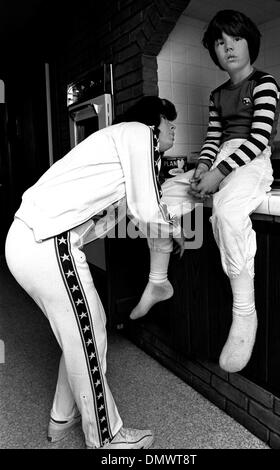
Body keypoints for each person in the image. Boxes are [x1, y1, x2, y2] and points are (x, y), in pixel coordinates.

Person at [5, 96, 183, 449]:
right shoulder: (140, 133)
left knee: (85, 334)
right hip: (49, 241)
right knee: (88, 337)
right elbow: (147, 209)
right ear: (156, 121)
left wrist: (165, 225)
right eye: (171, 123)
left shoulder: (121, 143)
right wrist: (171, 230)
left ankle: (62, 417)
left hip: (35, 240)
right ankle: (108, 439)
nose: (174, 129)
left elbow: (138, 207)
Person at [189, 10, 280, 373]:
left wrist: (218, 175)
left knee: (226, 214)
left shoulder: (265, 83)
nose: (228, 48)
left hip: (251, 160)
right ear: (214, 52)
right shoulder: (216, 94)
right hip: (221, 160)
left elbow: (258, 138)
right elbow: (212, 140)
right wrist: (200, 169)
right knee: (168, 198)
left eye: (235, 39)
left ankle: (244, 313)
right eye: (220, 43)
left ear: (249, 42)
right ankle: (158, 279)